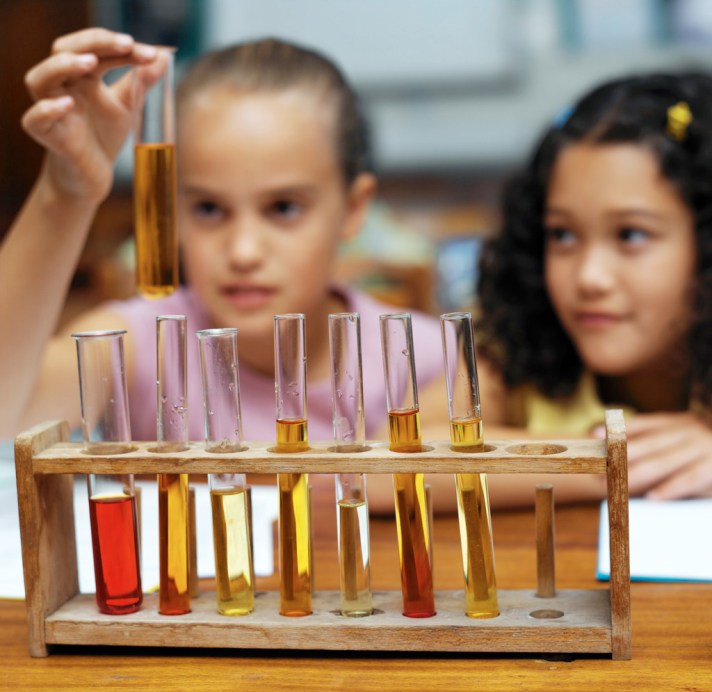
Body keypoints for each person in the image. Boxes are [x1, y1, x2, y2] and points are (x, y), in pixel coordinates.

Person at [0, 28, 450, 510]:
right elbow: (7, 418)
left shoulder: (423, 357)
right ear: (170, 207)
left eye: (283, 208)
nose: (243, 251)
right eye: (210, 210)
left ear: (354, 207)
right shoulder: (136, 345)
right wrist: (64, 194)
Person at [475, 71, 712, 506]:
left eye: (631, 235)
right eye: (562, 235)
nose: (589, 277)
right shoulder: (515, 338)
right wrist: (606, 464)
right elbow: (385, 466)